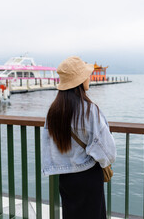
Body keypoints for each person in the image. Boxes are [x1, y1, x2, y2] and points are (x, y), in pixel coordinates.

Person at [42, 56, 116, 219]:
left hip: (66, 178)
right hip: (88, 177)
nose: (89, 77)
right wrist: (105, 163)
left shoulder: (53, 111)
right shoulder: (90, 110)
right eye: (86, 74)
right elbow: (107, 151)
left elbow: (51, 147)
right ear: (80, 80)